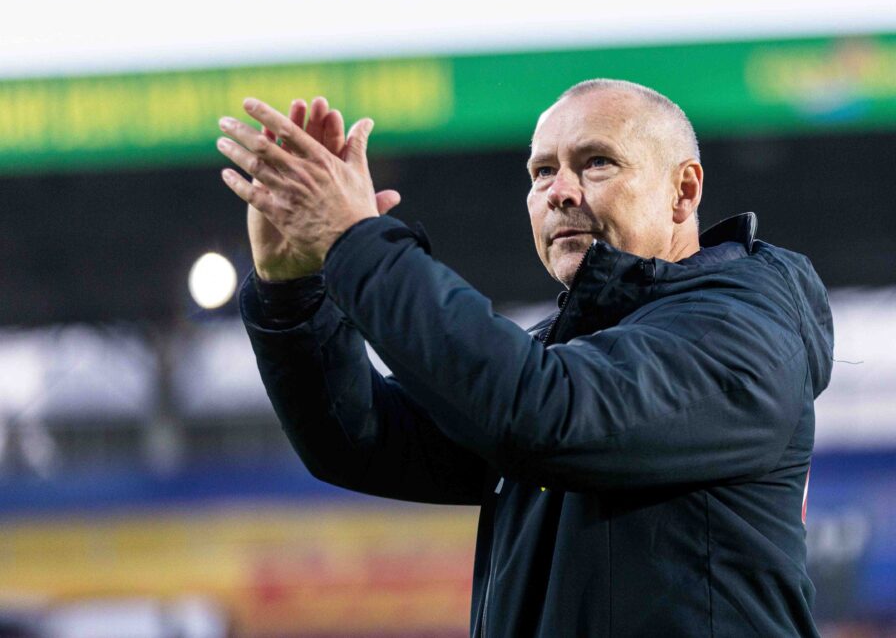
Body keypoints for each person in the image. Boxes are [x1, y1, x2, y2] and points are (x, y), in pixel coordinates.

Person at [218, 79, 834, 637]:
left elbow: (538, 412)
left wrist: (359, 244)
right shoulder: (567, 353)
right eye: (542, 172)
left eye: (597, 162)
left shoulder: (742, 332)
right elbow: (362, 439)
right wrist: (292, 288)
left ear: (684, 191)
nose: (559, 192)